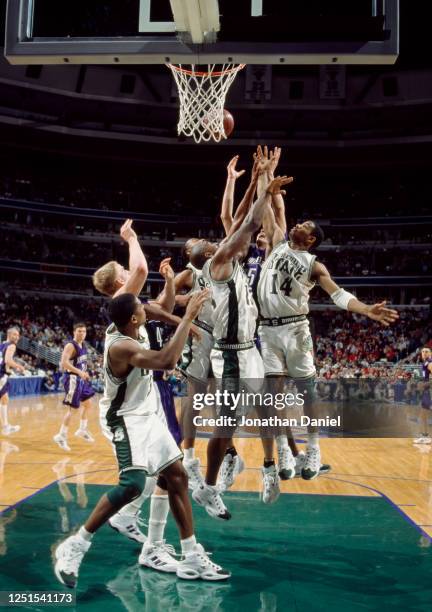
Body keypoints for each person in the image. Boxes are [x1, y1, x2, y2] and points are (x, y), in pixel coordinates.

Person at [53, 291, 230, 587]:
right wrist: (188, 318)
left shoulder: (130, 323)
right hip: (123, 418)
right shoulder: (121, 345)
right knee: (133, 485)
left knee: (177, 477)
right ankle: (75, 546)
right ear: (134, 318)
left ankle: (190, 556)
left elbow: (158, 311)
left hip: (146, 412)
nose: (146, 308)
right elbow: (165, 359)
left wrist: (177, 308)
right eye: (141, 308)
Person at [259, 189, 399, 481]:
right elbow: (269, 210)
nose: (298, 225)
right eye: (298, 223)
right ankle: (284, 447)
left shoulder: (314, 266)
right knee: (272, 395)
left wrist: (365, 309)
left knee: (307, 393)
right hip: (267, 330)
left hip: (295, 329)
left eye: (305, 226)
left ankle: (313, 448)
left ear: (310, 240)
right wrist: (266, 181)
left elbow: (338, 295)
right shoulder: (276, 243)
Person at [190, 172, 292, 520]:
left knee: (265, 410)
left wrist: (245, 182)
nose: (209, 240)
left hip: (250, 346)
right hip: (231, 353)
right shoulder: (218, 263)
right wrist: (262, 185)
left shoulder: (227, 258)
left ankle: (268, 469)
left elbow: (236, 221)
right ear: (205, 256)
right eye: (200, 244)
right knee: (224, 427)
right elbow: (242, 224)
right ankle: (208, 485)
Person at [93, 220, 200, 545]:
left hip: (151, 387)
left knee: (168, 466)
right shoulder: (123, 297)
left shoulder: (132, 305)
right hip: (140, 394)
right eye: (123, 272)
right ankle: (129, 524)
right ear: (119, 282)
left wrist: (169, 282)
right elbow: (139, 265)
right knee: (167, 467)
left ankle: (141, 528)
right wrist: (131, 237)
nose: (130, 272)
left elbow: (162, 309)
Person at [53, 323, 95, 451]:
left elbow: (81, 362)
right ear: (74, 332)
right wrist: (79, 372)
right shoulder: (70, 345)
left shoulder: (84, 345)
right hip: (72, 379)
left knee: (88, 404)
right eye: (79, 331)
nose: (82, 333)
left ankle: (82, 430)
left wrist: (84, 371)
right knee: (73, 410)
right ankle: (61, 435)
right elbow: (64, 363)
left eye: (83, 331)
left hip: (80, 379)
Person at [0, 327, 26, 436]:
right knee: (4, 399)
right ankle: (5, 427)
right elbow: (8, 360)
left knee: (4, 398)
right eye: (14, 334)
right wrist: (19, 366)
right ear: (8, 334)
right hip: (1, 375)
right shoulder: (11, 346)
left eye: (18, 335)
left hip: (2, 374)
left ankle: (6, 426)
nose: (17, 337)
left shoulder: (1, 345)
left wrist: (8, 369)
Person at [413, 346, 432, 444]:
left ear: (430, 353)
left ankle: (425, 436)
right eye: (423, 351)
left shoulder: (429, 362)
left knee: (423, 415)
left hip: (429, 392)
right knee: (422, 415)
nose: (424, 353)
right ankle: (425, 436)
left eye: (427, 351)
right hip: (426, 392)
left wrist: (424, 384)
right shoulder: (425, 363)